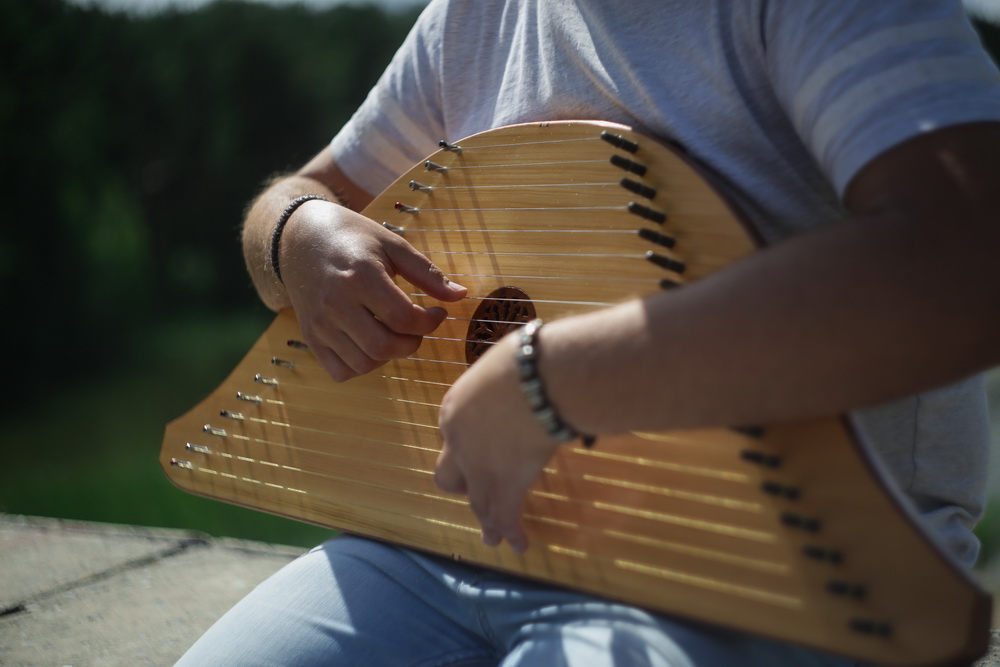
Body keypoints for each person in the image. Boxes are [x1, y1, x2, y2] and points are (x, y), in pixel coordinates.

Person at [177, 1, 1000, 664]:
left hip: (769, 577)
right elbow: (300, 196)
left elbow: (971, 260)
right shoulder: (476, 18)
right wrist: (296, 236)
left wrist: (551, 381)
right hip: (439, 548)